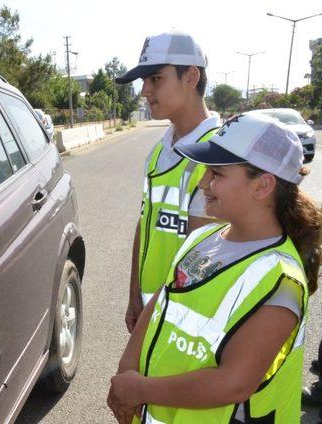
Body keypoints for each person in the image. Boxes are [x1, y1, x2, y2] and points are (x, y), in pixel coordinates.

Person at [106, 113, 322, 423]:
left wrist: (141, 390)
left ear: (262, 185)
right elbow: (158, 307)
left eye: (216, 173)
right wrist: (126, 373)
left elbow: (233, 383)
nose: (203, 182)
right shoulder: (201, 237)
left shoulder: (281, 279)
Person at [115, 30, 220, 332]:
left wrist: (153, 318)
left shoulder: (218, 156)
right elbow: (145, 220)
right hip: (153, 311)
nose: (144, 90)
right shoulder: (160, 148)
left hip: (186, 320)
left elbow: (203, 256)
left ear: (190, 77)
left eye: (155, 79)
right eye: (143, 81)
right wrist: (135, 295)